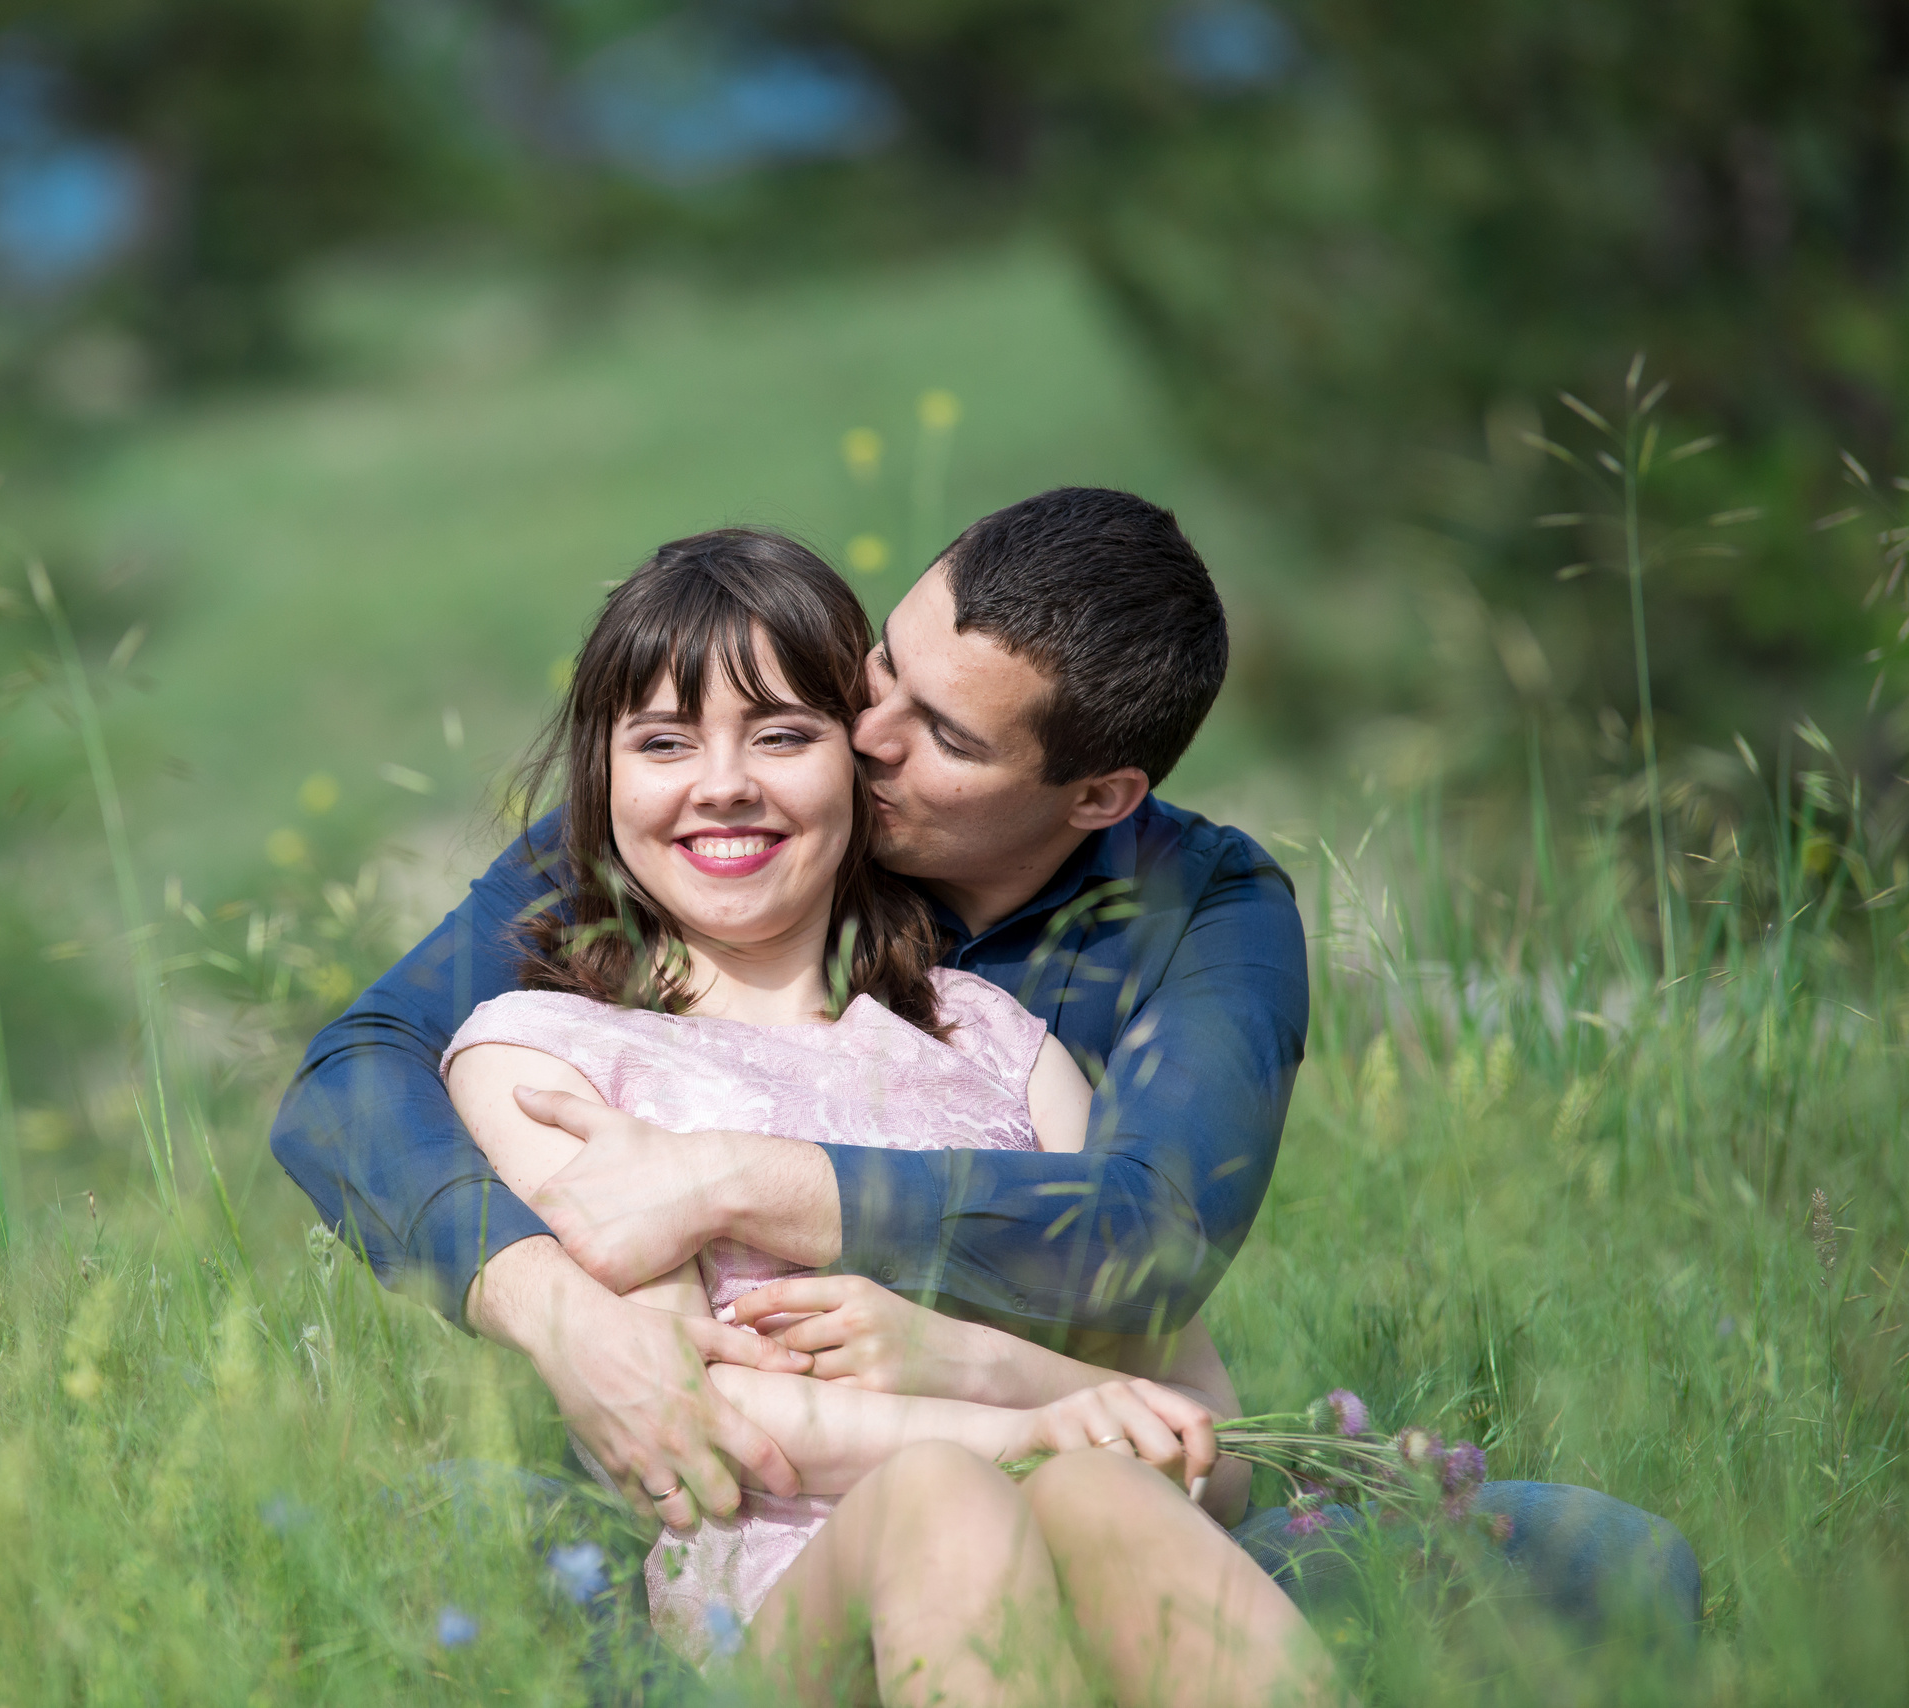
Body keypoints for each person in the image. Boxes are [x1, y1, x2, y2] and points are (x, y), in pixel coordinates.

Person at [271, 488, 1700, 1650]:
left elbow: (1151, 1236)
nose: (865, 739)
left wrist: (757, 1191)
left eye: (943, 735)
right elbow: (359, 1074)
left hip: (1086, 1452)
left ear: (1098, 795)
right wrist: (552, 1311)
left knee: (1603, 1558)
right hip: (767, 1518)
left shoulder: (1187, 914)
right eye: (883, 670)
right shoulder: (712, 824)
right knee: (437, 1538)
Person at [436, 527, 1338, 1702]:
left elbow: (1206, 1443)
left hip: (1066, 1555)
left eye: (782, 734)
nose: (724, 782)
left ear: (847, 768)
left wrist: (993, 1379)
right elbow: (696, 1414)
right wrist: (1042, 1421)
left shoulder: (991, 1040)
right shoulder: (547, 1051)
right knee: (944, 1492)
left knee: (1101, 1486)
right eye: (662, 741)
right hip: (783, 1609)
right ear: (598, 778)